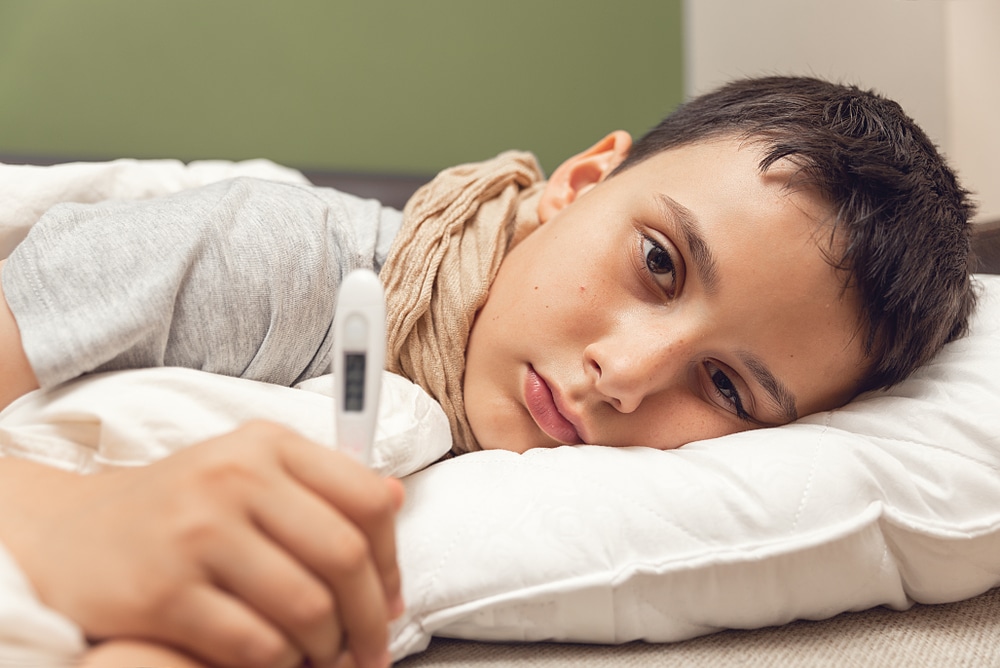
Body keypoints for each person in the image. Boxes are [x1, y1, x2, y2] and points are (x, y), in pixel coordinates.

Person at [0, 76, 976, 667]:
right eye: (658, 263)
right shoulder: (277, 262)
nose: (624, 375)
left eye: (725, 388)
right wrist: (69, 521)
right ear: (579, 184)